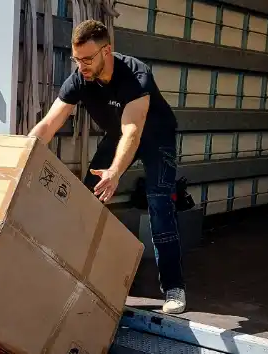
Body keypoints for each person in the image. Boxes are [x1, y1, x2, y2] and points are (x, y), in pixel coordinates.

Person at [27, 19, 187, 314]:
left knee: (159, 206)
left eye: (88, 59)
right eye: (77, 59)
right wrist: (23, 151)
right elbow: (49, 123)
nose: (82, 66)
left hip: (155, 139)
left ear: (107, 51)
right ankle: (81, 275)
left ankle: (174, 287)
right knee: (88, 199)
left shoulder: (136, 75)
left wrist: (115, 172)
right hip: (118, 136)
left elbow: (133, 132)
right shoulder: (79, 79)